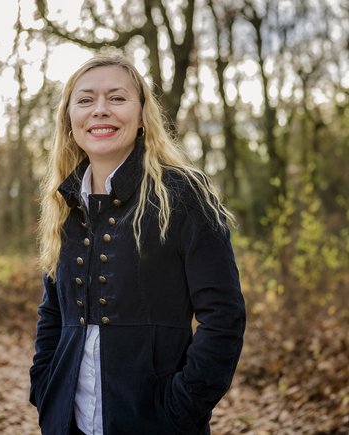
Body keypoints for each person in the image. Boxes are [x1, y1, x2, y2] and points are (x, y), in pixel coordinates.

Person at [29, 53, 246, 435]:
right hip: (67, 423)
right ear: (68, 119)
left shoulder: (183, 195)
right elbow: (53, 312)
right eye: (85, 100)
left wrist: (179, 409)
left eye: (116, 98)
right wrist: (45, 389)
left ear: (143, 113)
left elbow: (224, 317)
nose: (100, 110)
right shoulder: (65, 204)